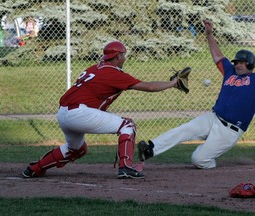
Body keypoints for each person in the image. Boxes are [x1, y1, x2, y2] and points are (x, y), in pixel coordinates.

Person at [22, 41, 181, 179]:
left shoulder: (94, 68)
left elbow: (92, 97)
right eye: (123, 55)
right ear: (118, 56)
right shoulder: (112, 73)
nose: (124, 58)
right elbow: (149, 87)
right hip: (79, 113)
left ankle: (34, 169)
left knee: (76, 149)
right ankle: (125, 167)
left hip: (64, 113)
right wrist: (173, 83)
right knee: (127, 126)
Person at [138, 19, 255, 169]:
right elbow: (217, 55)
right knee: (184, 129)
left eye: (241, 62)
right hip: (213, 118)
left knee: (199, 160)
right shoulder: (229, 72)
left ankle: (212, 161)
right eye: (236, 62)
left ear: (250, 64)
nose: (237, 65)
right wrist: (209, 34)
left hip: (229, 131)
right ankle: (150, 149)